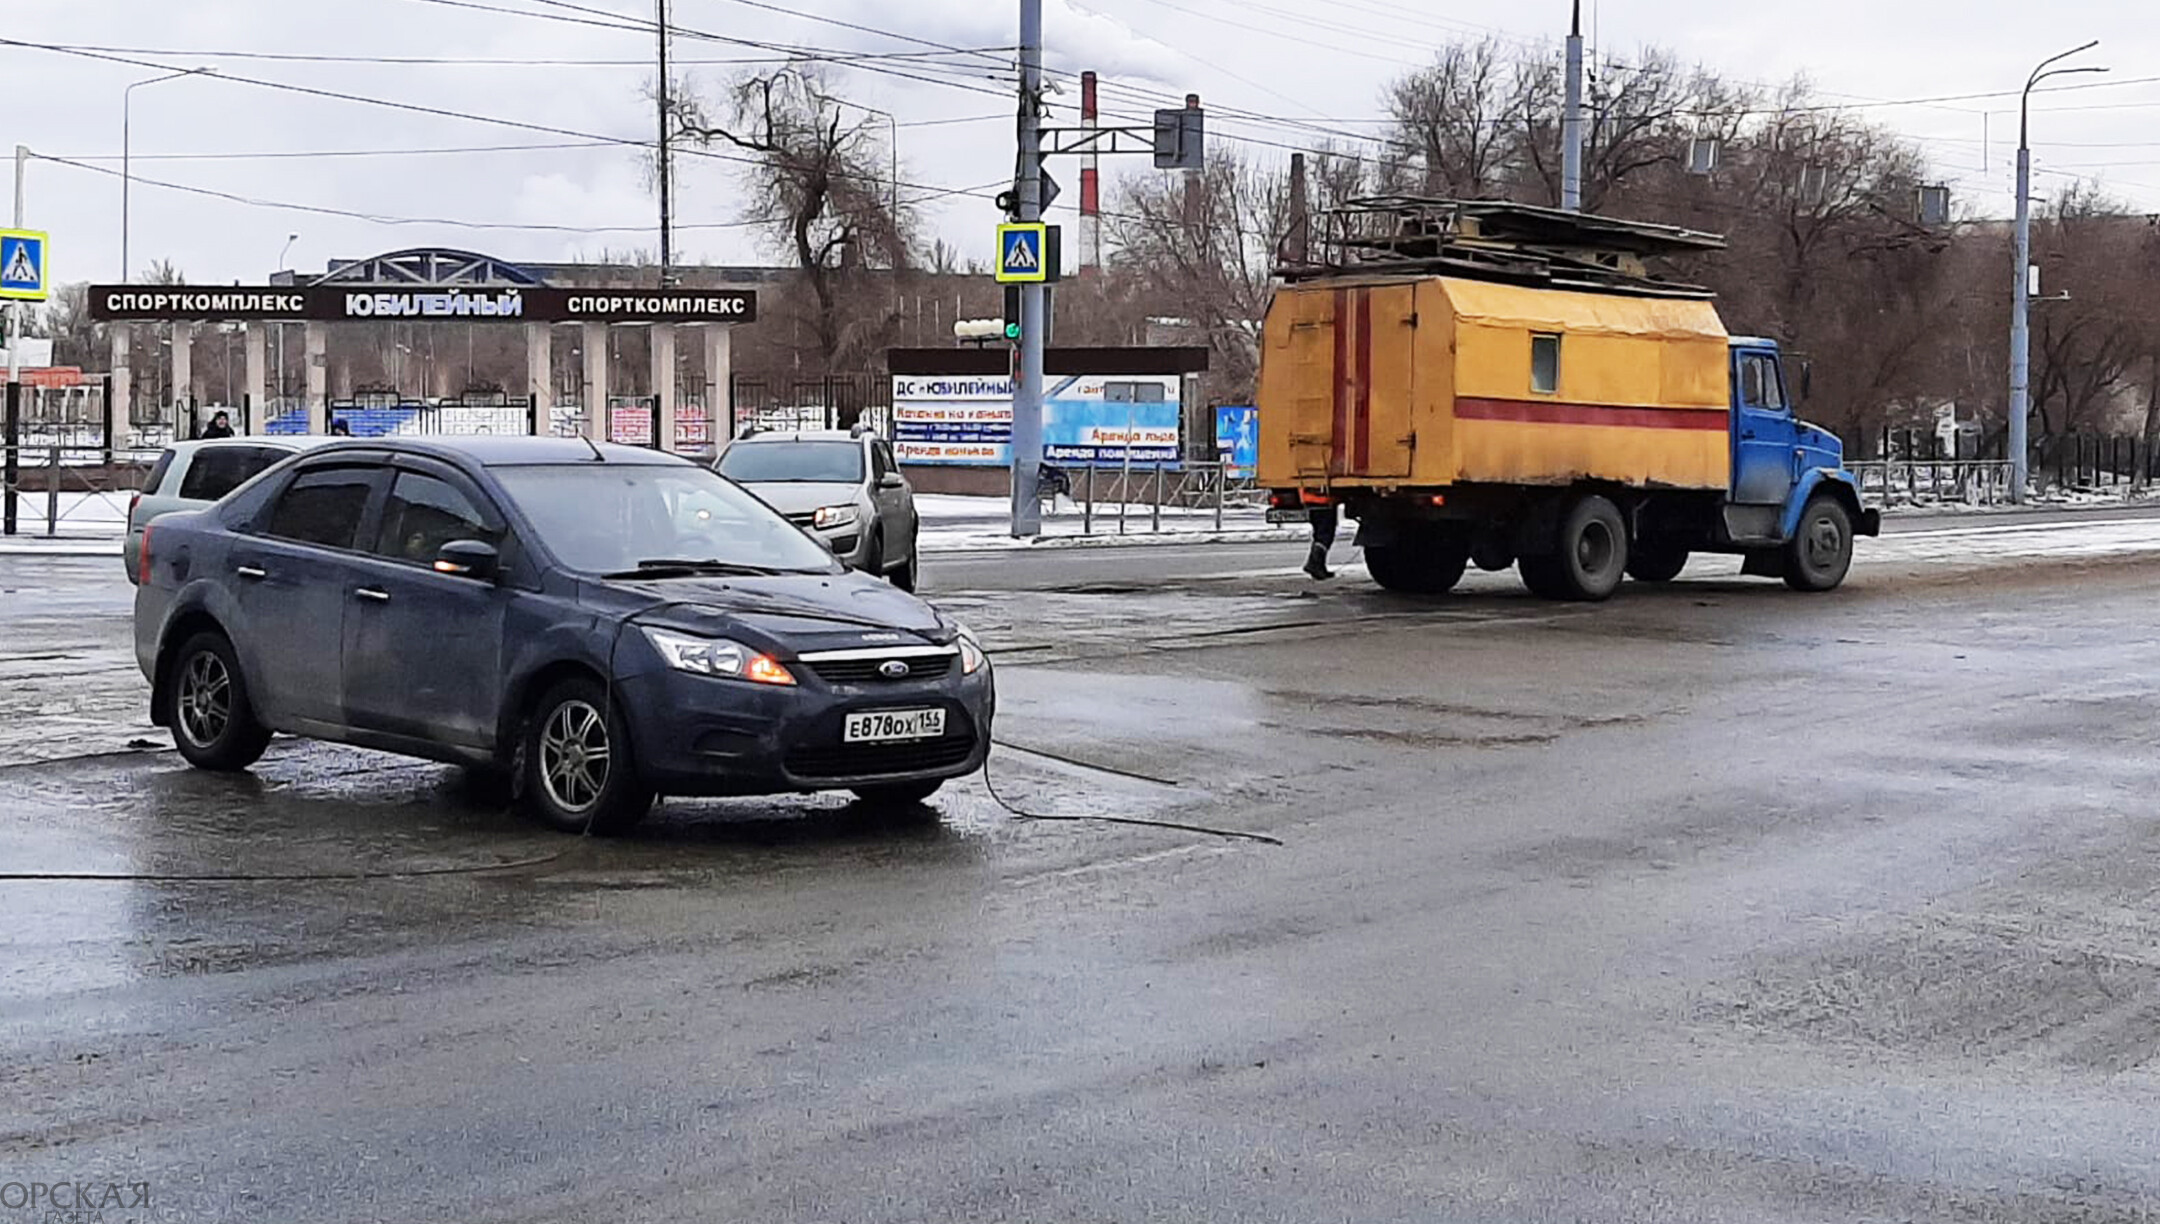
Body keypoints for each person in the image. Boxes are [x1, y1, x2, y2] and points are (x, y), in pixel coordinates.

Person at [1304, 502, 1338, 581]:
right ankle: (1314, 565)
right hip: (1324, 501)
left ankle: (1318, 566)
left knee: (1319, 533)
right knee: (1325, 535)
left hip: (1313, 501)